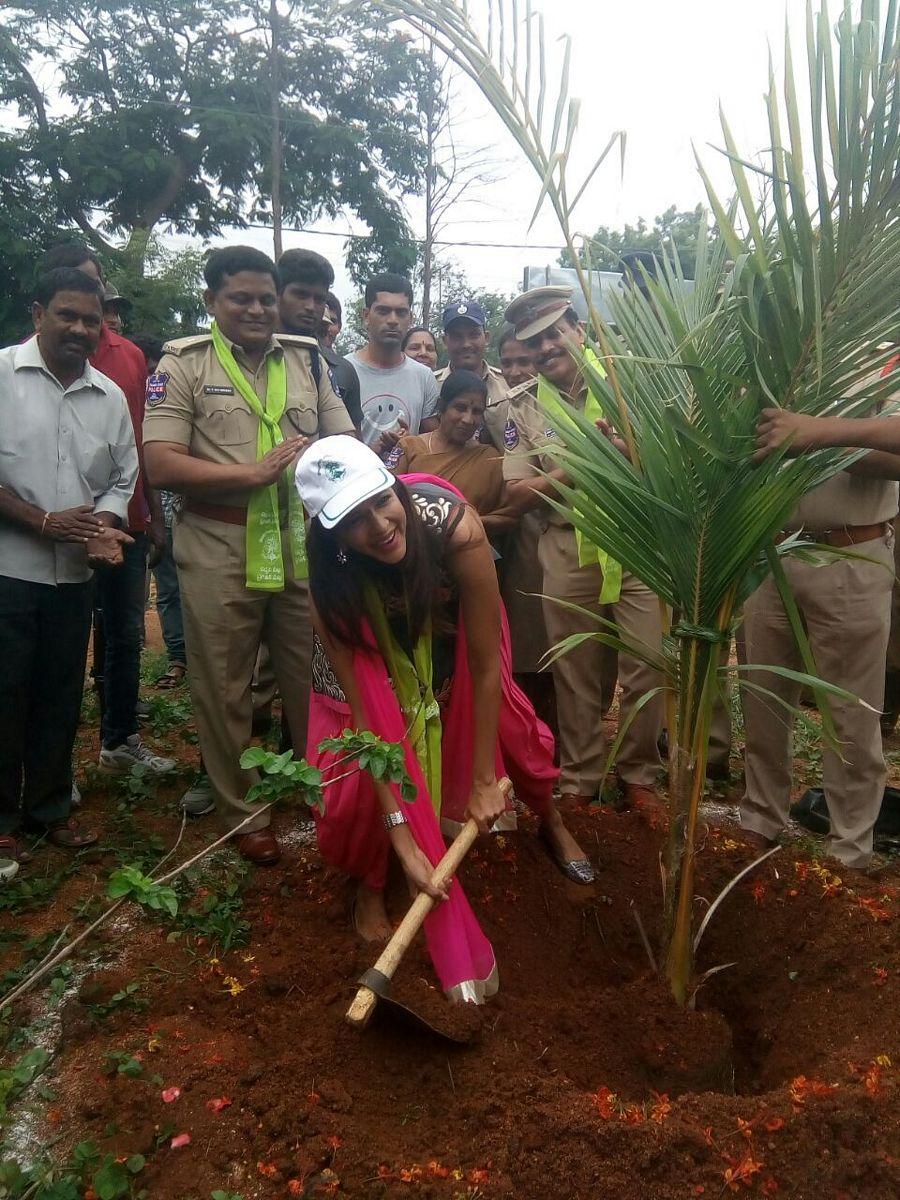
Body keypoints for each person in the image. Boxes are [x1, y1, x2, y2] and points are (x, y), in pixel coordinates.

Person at [296, 436, 595, 987]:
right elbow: (366, 718)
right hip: (366, 645)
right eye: (355, 521)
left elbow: (484, 665)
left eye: (380, 502)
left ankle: (549, 817)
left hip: (450, 631)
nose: (381, 526)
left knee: (508, 724)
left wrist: (485, 779)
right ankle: (372, 877)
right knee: (355, 779)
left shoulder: (454, 526)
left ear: (394, 487)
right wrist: (402, 836)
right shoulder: (328, 584)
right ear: (331, 535)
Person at [142, 245, 355, 865]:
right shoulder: (182, 364)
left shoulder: (308, 361)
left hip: (298, 542)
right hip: (219, 544)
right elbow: (159, 462)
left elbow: (341, 438)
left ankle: (323, 792)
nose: (257, 309)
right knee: (226, 685)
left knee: (312, 677)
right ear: (212, 301)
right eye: (241, 298)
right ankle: (244, 810)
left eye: (266, 297)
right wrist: (250, 475)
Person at [502, 286, 665, 813]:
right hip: (567, 545)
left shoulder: (628, 381)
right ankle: (580, 777)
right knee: (575, 668)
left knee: (647, 661)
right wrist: (584, 463)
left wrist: (627, 453)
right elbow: (516, 491)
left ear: (578, 330)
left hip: (637, 540)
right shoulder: (522, 407)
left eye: (555, 333)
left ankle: (639, 774)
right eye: (535, 341)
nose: (548, 347)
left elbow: (669, 461)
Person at [0, 268, 138, 865]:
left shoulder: (108, 397)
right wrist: (42, 522)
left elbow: (121, 480)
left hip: (73, 578)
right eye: (68, 315)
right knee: (5, 693)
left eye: (91, 319)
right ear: (38, 314)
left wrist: (103, 530)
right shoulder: (2, 375)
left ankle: (50, 806)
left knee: (60, 691)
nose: (81, 328)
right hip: (8, 570)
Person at [746, 368, 900, 869]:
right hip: (769, 554)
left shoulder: (881, 365)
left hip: (850, 555)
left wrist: (818, 437)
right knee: (764, 697)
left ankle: (850, 846)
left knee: (851, 710)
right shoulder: (779, 364)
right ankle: (759, 820)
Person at [39, 244, 172, 778]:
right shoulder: (22, 362)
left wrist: (151, 513)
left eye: (94, 303)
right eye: (69, 305)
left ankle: (119, 740)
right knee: (60, 650)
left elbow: (138, 445)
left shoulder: (130, 357)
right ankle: (51, 766)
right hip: (48, 535)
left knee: (123, 634)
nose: (84, 320)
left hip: (126, 523)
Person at [385, 371, 512, 534]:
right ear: (441, 406)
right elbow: (387, 502)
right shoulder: (409, 447)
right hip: (414, 549)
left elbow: (508, 516)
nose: (468, 419)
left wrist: (458, 523)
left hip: (469, 549)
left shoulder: (489, 458)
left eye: (477, 411)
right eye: (460, 408)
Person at [346, 274, 439, 454]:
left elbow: (434, 444)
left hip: (408, 481)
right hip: (356, 480)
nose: (393, 320)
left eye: (401, 312)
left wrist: (409, 445)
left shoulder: (424, 376)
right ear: (366, 316)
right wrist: (371, 453)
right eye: (383, 311)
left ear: (410, 318)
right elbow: (333, 445)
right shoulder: (344, 370)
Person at [276, 249, 362, 430]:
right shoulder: (247, 352)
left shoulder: (321, 365)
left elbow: (345, 439)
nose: (310, 306)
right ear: (277, 293)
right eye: (300, 295)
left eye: (319, 299)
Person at [435, 300, 509, 449]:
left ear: (486, 337)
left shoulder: (507, 384)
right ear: (444, 341)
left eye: (474, 335)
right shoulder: (431, 386)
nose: (466, 344)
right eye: (457, 337)